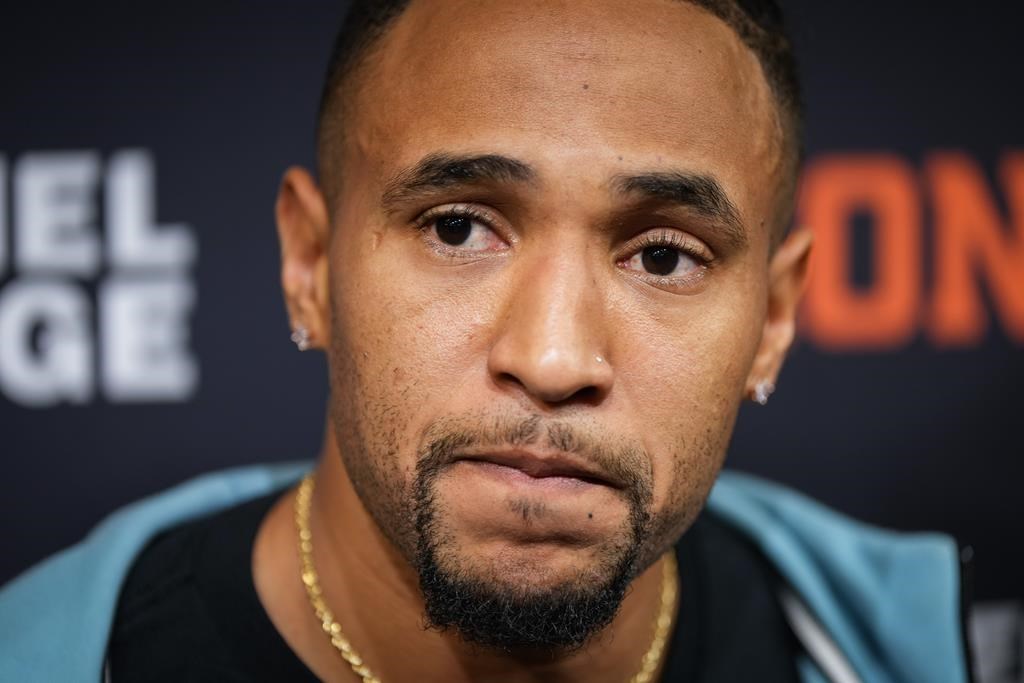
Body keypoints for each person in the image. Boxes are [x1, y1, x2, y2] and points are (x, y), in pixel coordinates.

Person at [0, 1, 972, 681]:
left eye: (665, 256)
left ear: (772, 319)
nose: (552, 359)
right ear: (309, 264)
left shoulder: (910, 653)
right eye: (458, 227)